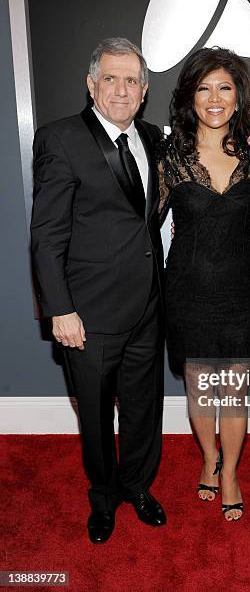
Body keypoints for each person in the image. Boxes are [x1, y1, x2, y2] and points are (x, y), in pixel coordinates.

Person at [31, 38, 166, 544]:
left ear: (145, 90)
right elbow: (46, 237)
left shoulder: (153, 137)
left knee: (143, 408)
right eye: (110, 78)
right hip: (86, 314)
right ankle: (104, 497)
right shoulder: (60, 139)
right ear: (91, 85)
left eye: (131, 80)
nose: (121, 89)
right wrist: (60, 309)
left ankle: (138, 487)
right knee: (94, 413)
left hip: (148, 306)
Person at [158, 47, 250, 521]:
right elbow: (135, 222)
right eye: (204, 87)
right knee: (200, 389)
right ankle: (207, 458)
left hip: (241, 292)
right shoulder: (169, 158)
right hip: (187, 291)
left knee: (235, 391)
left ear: (239, 96)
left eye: (224, 87)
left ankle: (231, 473)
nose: (215, 97)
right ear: (190, 97)